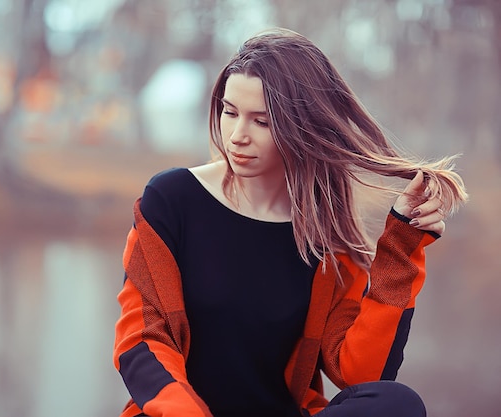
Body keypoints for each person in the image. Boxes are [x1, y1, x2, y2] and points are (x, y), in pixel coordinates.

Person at [113, 28, 468, 417]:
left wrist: (402, 241)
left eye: (261, 122)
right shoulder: (171, 199)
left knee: (397, 404)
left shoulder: (324, 237)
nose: (237, 136)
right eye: (229, 112)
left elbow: (363, 374)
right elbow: (142, 342)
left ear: (302, 126)